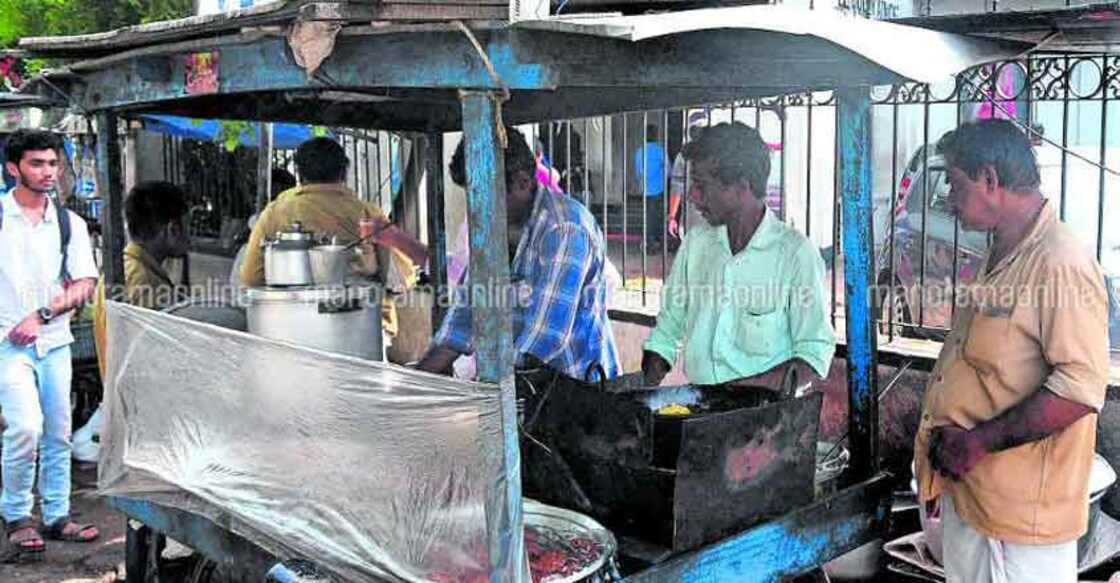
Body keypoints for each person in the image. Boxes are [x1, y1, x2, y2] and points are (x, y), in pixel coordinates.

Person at [913, 119, 1110, 583]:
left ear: (989, 179)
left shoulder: (1060, 261)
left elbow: (1079, 389)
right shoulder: (1003, 251)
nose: (950, 201)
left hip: (1020, 519)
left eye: (956, 186)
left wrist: (977, 442)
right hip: (975, 495)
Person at [641, 122, 835, 393]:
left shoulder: (795, 254)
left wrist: (733, 396)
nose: (691, 196)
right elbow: (669, 327)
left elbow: (813, 354)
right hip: (701, 414)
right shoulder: (696, 243)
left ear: (741, 187)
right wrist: (639, 392)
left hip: (768, 424)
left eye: (701, 185)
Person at [416, 126, 619, 380]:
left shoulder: (565, 228)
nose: (477, 208)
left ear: (523, 182)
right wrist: (414, 381)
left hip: (578, 391)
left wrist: (487, 386)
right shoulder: (494, 228)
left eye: (485, 196)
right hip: (524, 387)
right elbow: (464, 317)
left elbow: (545, 339)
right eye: (472, 196)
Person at [0, 129, 100, 556]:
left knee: (59, 432)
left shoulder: (68, 222)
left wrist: (42, 315)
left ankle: (57, 515)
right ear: (12, 169)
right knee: (25, 426)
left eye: (52, 164)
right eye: (37, 164)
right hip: (6, 344)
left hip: (54, 340)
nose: (48, 172)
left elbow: (85, 283)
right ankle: (16, 514)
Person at [240, 138, 426, 340]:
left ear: (299, 174)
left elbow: (251, 277)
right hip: (364, 329)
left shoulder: (275, 212)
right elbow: (401, 279)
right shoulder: (367, 213)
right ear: (344, 173)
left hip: (292, 328)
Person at [80, 182, 192, 463]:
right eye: (187, 226)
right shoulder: (143, 281)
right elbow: (153, 358)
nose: (189, 236)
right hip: (142, 409)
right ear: (172, 228)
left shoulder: (124, 267)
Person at [634, 124, 668, 250]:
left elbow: (638, 172)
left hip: (644, 189)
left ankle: (647, 241)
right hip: (658, 189)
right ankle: (652, 241)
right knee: (656, 216)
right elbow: (668, 170)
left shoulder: (639, 151)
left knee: (647, 215)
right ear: (656, 135)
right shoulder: (660, 151)